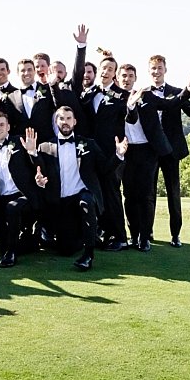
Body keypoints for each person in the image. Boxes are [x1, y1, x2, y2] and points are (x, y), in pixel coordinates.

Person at [116, 64, 190, 251]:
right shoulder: (114, 97)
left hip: (147, 150)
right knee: (129, 196)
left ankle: (145, 238)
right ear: (118, 77)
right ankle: (134, 234)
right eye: (124, 75)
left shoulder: (146, 95)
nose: (127, 79)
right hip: (125, 151)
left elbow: (170, 104)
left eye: (131, 76)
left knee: (146, 196)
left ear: (135, 78)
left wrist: (188, 91)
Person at [35, 106, 118, 272]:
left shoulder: (89, 144)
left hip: (81, 195)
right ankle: (89, 234)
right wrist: (39, 180)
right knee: (66, 249)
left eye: (68, 118)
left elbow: (105, 170)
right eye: (61, 119)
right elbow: (38, 174)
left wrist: (119, 155)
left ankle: (89, 255)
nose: (65, 122)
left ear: (74, 121)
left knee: (86, 201)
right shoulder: (44, 147)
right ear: (56, 122)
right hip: (60, 203)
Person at [147, 54, 190, 248]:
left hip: (171, 151)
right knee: (149, 194)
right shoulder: (144, 93)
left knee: (173, 194)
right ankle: (148, 231)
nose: (156, 71)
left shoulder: (177, 92)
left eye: (159, 68)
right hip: (150, 151)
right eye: (153, 68)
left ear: (165, 70)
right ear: (149, 71)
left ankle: (175, 234)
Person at [79, 54, 131, 251]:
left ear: (115, 73)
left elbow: (131, 117)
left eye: (111, 69)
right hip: (91, 153)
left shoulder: (122, 96)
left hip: (112, 152)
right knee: (96, 193)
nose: (106, 71)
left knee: (112, 194)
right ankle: (103, 232)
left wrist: (132, 106)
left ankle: (120, 237)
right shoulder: (89, 93)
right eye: (104, 68)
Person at [0, 115, 43, 268]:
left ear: (8, 127)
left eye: (2, 124)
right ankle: (27, 243)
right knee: (4, 242)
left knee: (13, 207)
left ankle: (11, 254)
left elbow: (39, 165)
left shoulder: (20, 141)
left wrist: (32, 152)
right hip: (1, 199)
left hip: (23, 195)